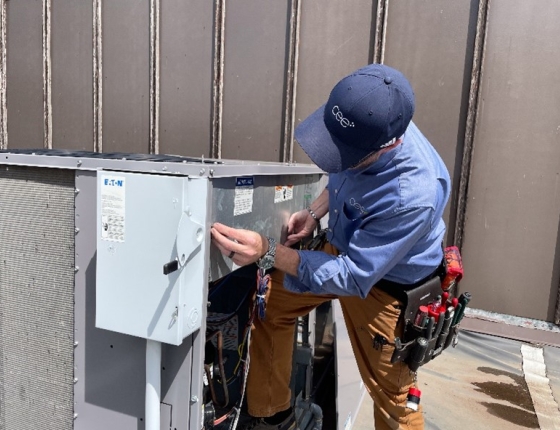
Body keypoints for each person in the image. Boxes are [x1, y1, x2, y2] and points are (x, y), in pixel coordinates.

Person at [210, 63, 450, 430]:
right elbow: (346, 164)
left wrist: (268, 250)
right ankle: (274, 417)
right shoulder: (377, 113)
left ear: (391, 144)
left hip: (386, 286)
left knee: (395, 402)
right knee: (270, 304)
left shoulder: (413, 195)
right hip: (346, 249)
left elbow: (352, 279)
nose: (336, 156)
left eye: (346, 151)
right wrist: (315, 209)